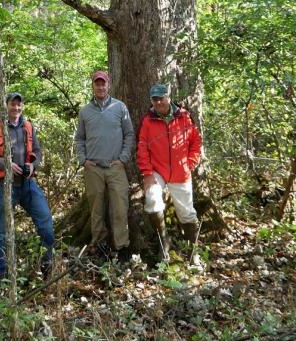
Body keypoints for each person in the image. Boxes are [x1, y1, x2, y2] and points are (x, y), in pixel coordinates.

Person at [0, 92, 55, 283]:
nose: (16, 108)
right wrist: (4, 163)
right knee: (1, 231)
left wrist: (33, 165)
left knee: (45, 221)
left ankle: (48, 267)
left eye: (19, 105)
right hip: (3, 186)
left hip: (27, 184)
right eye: (12, 105)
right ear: (6, 106)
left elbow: (37, 151)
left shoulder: (28, 126)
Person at [136, 82, 202, 265]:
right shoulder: (148, 121)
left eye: (161, 98)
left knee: (187, 213)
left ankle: (193, 253)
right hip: (157, 171)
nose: (158, 102)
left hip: (181, 172)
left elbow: (195, 142)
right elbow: (142, 147)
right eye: (155, 99)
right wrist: (147, 173)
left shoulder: (184, 117)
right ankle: (163, 244)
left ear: (168, 97)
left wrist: (190, 163)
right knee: (152, 200)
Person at [75, 70, 134, 263]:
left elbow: (129, 134)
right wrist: (83, 160)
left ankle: (122, 247)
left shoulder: (119, 107)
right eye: (97, 84)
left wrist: (123, 158)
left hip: (116, 167)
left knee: (119, 207)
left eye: (103, 84)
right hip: (93, 168)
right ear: (93, 86)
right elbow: (80, 138)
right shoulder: (85, 111)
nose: (100, 87)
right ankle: (99, 244)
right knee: (96, 209)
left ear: (108, 85)